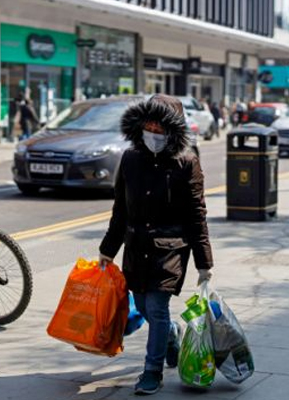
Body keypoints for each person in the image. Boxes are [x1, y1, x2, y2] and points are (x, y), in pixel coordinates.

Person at [99, 94, 214, 395]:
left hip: (170, 247)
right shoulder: (130, 159)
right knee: (144, 307)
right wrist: (107, 250)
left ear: (173, 130)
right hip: (136, 246)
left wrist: (204, 262)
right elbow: (120, 210)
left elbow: (196, 214)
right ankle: (171, 336)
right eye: (148, 126)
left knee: (156, 307)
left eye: (159, 128)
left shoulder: (187, 163)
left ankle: (152, 371)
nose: (153, 134)